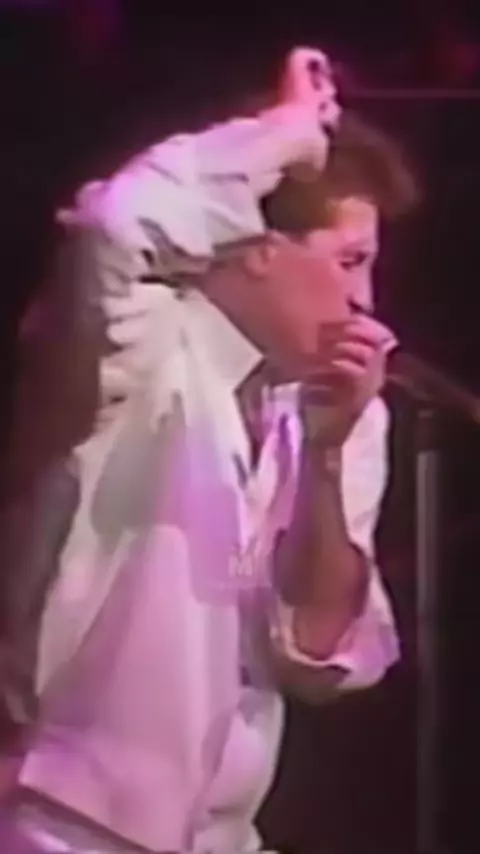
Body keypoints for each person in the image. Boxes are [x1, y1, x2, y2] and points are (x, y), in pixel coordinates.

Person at [12, 48, 415, 854]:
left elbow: (319, 653)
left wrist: (326, 461)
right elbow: (116, 226)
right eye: (349, 261)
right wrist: (284, 135)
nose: (363, 299)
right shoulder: (129, 353)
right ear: (256, 249)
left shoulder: (339, 412)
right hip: (64, 831)